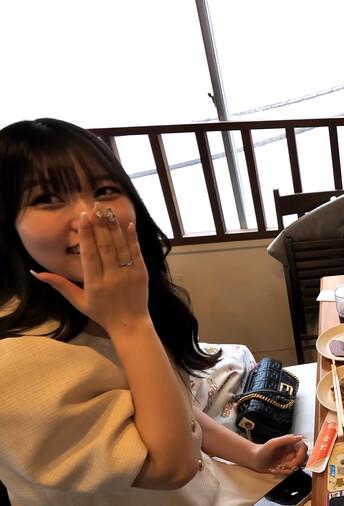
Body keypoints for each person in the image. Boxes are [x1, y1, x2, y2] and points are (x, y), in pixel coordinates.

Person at [0, 118, 307, 505]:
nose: (89, 217)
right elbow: (168, 466)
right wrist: (130, 322)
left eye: (104, 190)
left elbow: (176, 415)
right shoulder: (12, 365)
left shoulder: (106, 301)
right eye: (47, 199)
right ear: (7, 223)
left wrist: (253, 455)